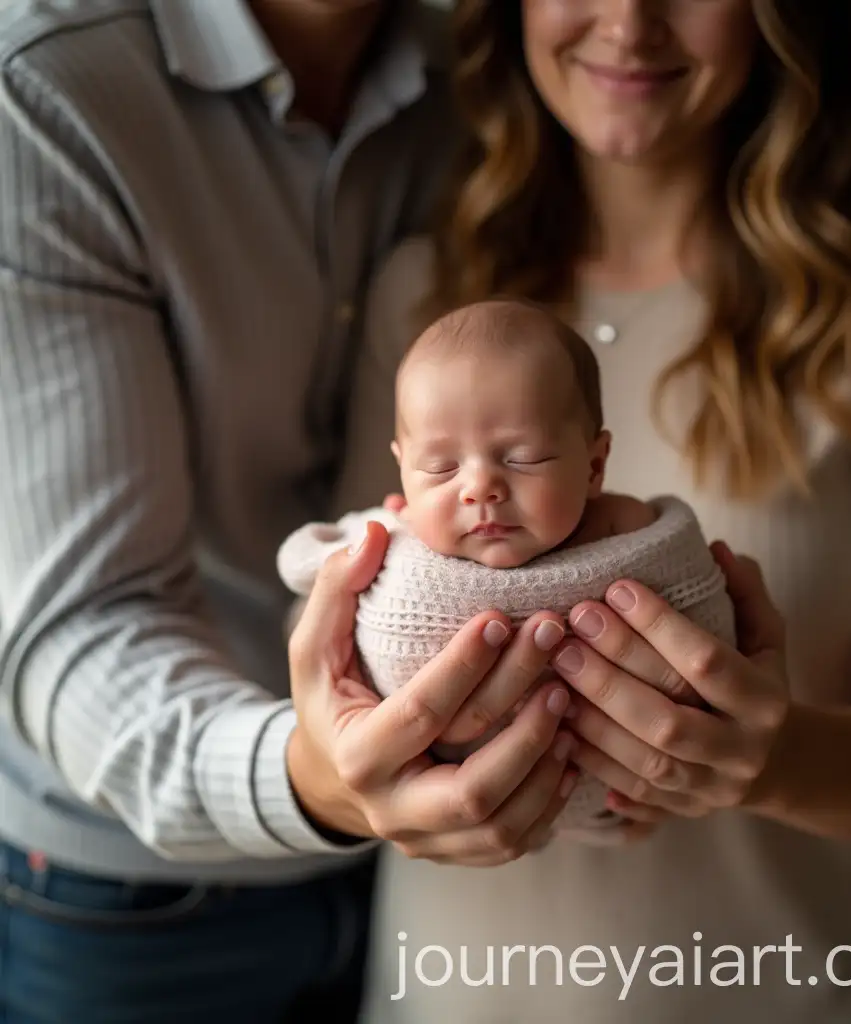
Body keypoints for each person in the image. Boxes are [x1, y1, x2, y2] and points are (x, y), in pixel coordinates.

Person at [292, 1, 851, 1021]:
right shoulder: (426, 299)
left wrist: (775, 760)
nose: (629, 25)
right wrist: (333, 765)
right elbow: (348, 651)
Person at [0, 1, 589, 1021]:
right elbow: (79, 624)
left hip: (423, 884)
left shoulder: (482, 79)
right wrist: (319, 780)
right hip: (131, 895)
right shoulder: (47, 85)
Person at [276, 298, 736, 837]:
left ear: (594, 465)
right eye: (441, 467)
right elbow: (311, 567)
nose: (479, 488)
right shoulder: (398, 537)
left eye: (522, 459)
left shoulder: (625, 524)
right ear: (402, 469)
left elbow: (688, 590)